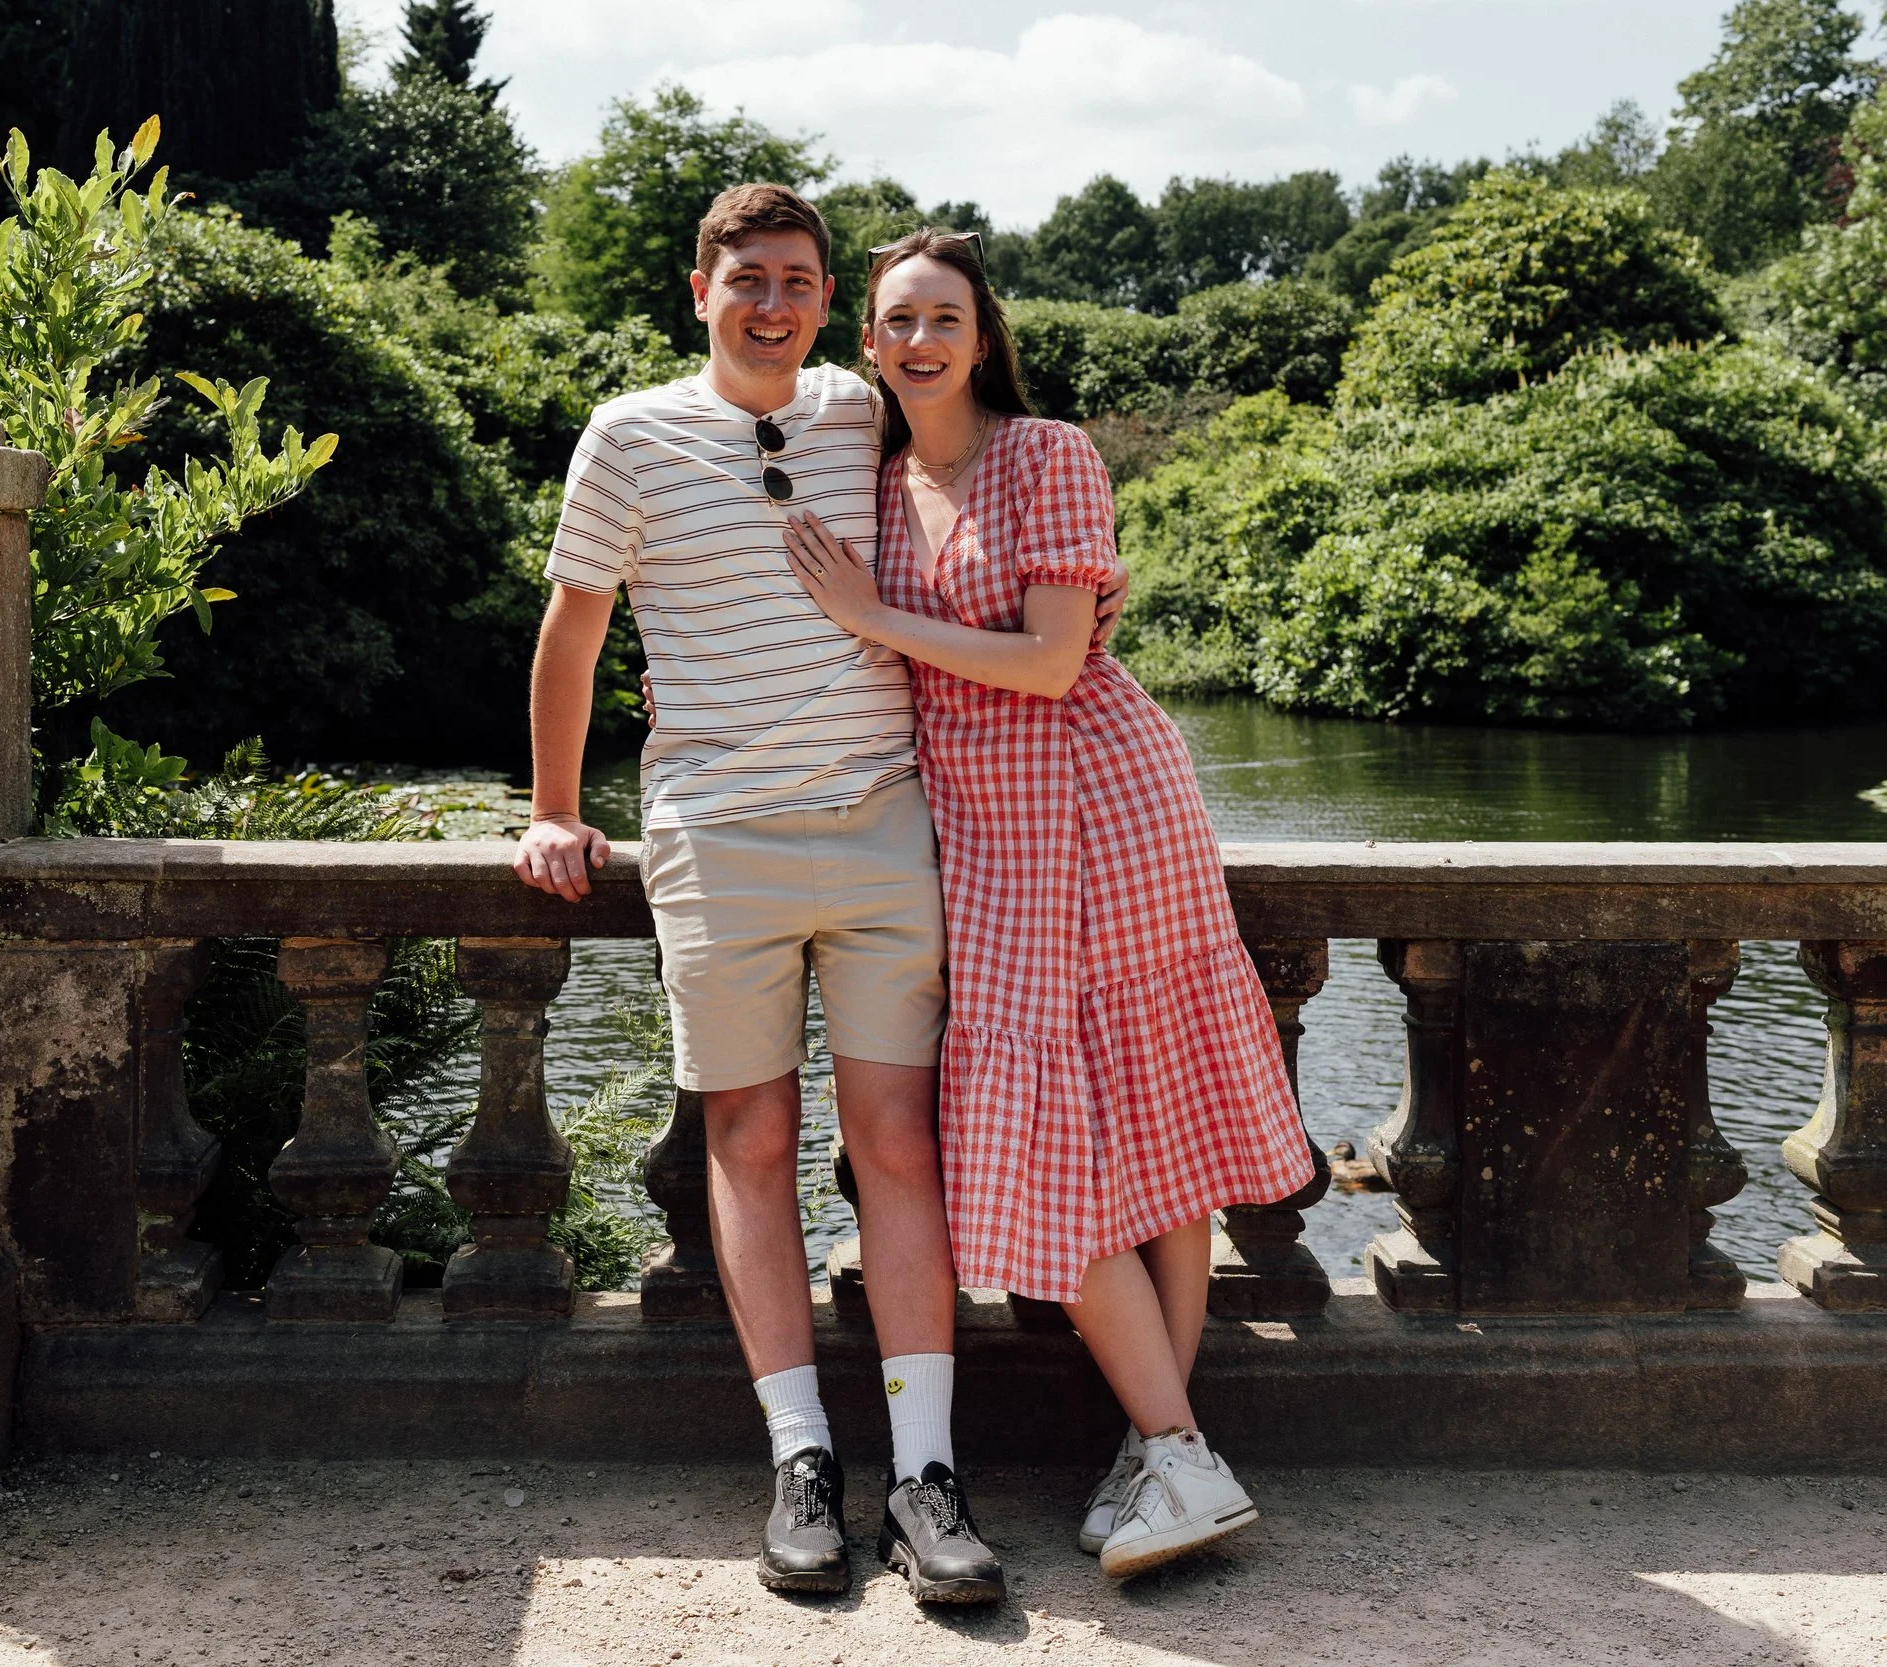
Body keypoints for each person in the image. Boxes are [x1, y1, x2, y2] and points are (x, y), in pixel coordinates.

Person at [781, 228, 1319, 1579]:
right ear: (872, 340)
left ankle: (1171, 1454)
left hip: (1100, 803)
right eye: (898, 318)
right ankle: (1170, 1450)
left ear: (981, 331)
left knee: (1140, 1118)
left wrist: (873, 616)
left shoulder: (1045, 452)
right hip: (984, 832)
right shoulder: (881, 476)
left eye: (944, 316)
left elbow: (1052, 658)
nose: (920, 340)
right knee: (1067, 1123)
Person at [511, 185, 1007, 1605]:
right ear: (700, 288)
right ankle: (802, 1461)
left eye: (798, 280)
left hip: (880, 821)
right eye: (750, 280)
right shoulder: (630, 434)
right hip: (714, 833)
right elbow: (574, 628)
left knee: (897, 1141)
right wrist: (555, 810)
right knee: (746, 1134)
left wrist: (1078, 605)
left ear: (825, 297)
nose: (773, 303)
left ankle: (926, 1473)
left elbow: (982, 499)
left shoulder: (868, 408)